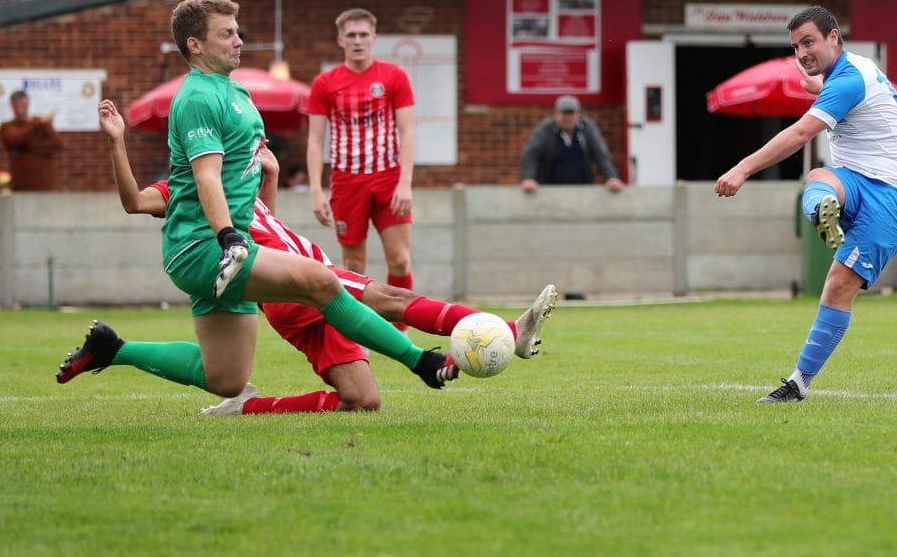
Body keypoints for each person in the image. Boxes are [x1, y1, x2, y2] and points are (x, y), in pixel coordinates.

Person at [58, 0, 454, 405]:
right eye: (226, 34)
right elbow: (203, 177)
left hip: (226, 249)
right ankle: (419, 360)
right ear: (195, 45)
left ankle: (112, 348)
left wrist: (270, 183)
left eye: (236, 32)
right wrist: (229, 236)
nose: (238, 41)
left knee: (225, 378)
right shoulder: (197, 97)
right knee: (321, 279)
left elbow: (246, 197)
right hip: (204, 247)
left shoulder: (235, 94)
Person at [67, 98, 557, 415]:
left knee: (361, 401)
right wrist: (117, 144)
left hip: (283, 284)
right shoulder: (192, 186)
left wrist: (272, 180)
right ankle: (506, 335)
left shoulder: (243, 182)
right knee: (387, 296)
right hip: (300, 287)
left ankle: (241, 405)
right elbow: (134, 202)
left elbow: (265, 231)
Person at [714, 5, 897, 403]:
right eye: (796, 46)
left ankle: (797, 384)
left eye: (808, 41)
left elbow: (799, 134)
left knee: (836, 287)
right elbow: (838, 87)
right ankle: (822, 213)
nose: (802, 53)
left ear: (834, 38)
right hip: (861, 180)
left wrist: (742, 169)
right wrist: (817, 85)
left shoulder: (848, 81)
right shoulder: (849, 71)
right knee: (818, 179)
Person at [307, 8, 416, 317]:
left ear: (374, 38)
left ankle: (400, 328)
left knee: (400, 260)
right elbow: (316, 140)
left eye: (363, 35)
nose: (358, 41)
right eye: (351, 35)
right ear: (341, 39)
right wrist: (316, 189)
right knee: (353, 266)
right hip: (347, 181)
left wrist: (405, 182)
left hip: (388, 178)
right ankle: (360, 334)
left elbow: (408, 131)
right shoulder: (325, 83)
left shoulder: (394, 76)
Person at [520, 95, 624, 193]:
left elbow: (601, 154)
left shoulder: (587, 128)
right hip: (550, 190)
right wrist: (528, 179)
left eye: (571, 113)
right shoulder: (545, 129)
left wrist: (611, 177)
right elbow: (531, 155)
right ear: (556, 114)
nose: (568, 118)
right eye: (564, 113)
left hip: (583, 190)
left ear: (578, 114)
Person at [0, 90, 62, 191]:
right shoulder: (7, 126)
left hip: (44, 182)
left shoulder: (41, 123)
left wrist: (29, 147)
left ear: (28, 104)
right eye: (16, 106)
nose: (20, 110)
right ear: (11, 106)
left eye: (23, 106)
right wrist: (38, 125)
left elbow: (57, 144)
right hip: (20, 184)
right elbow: (16, 139)